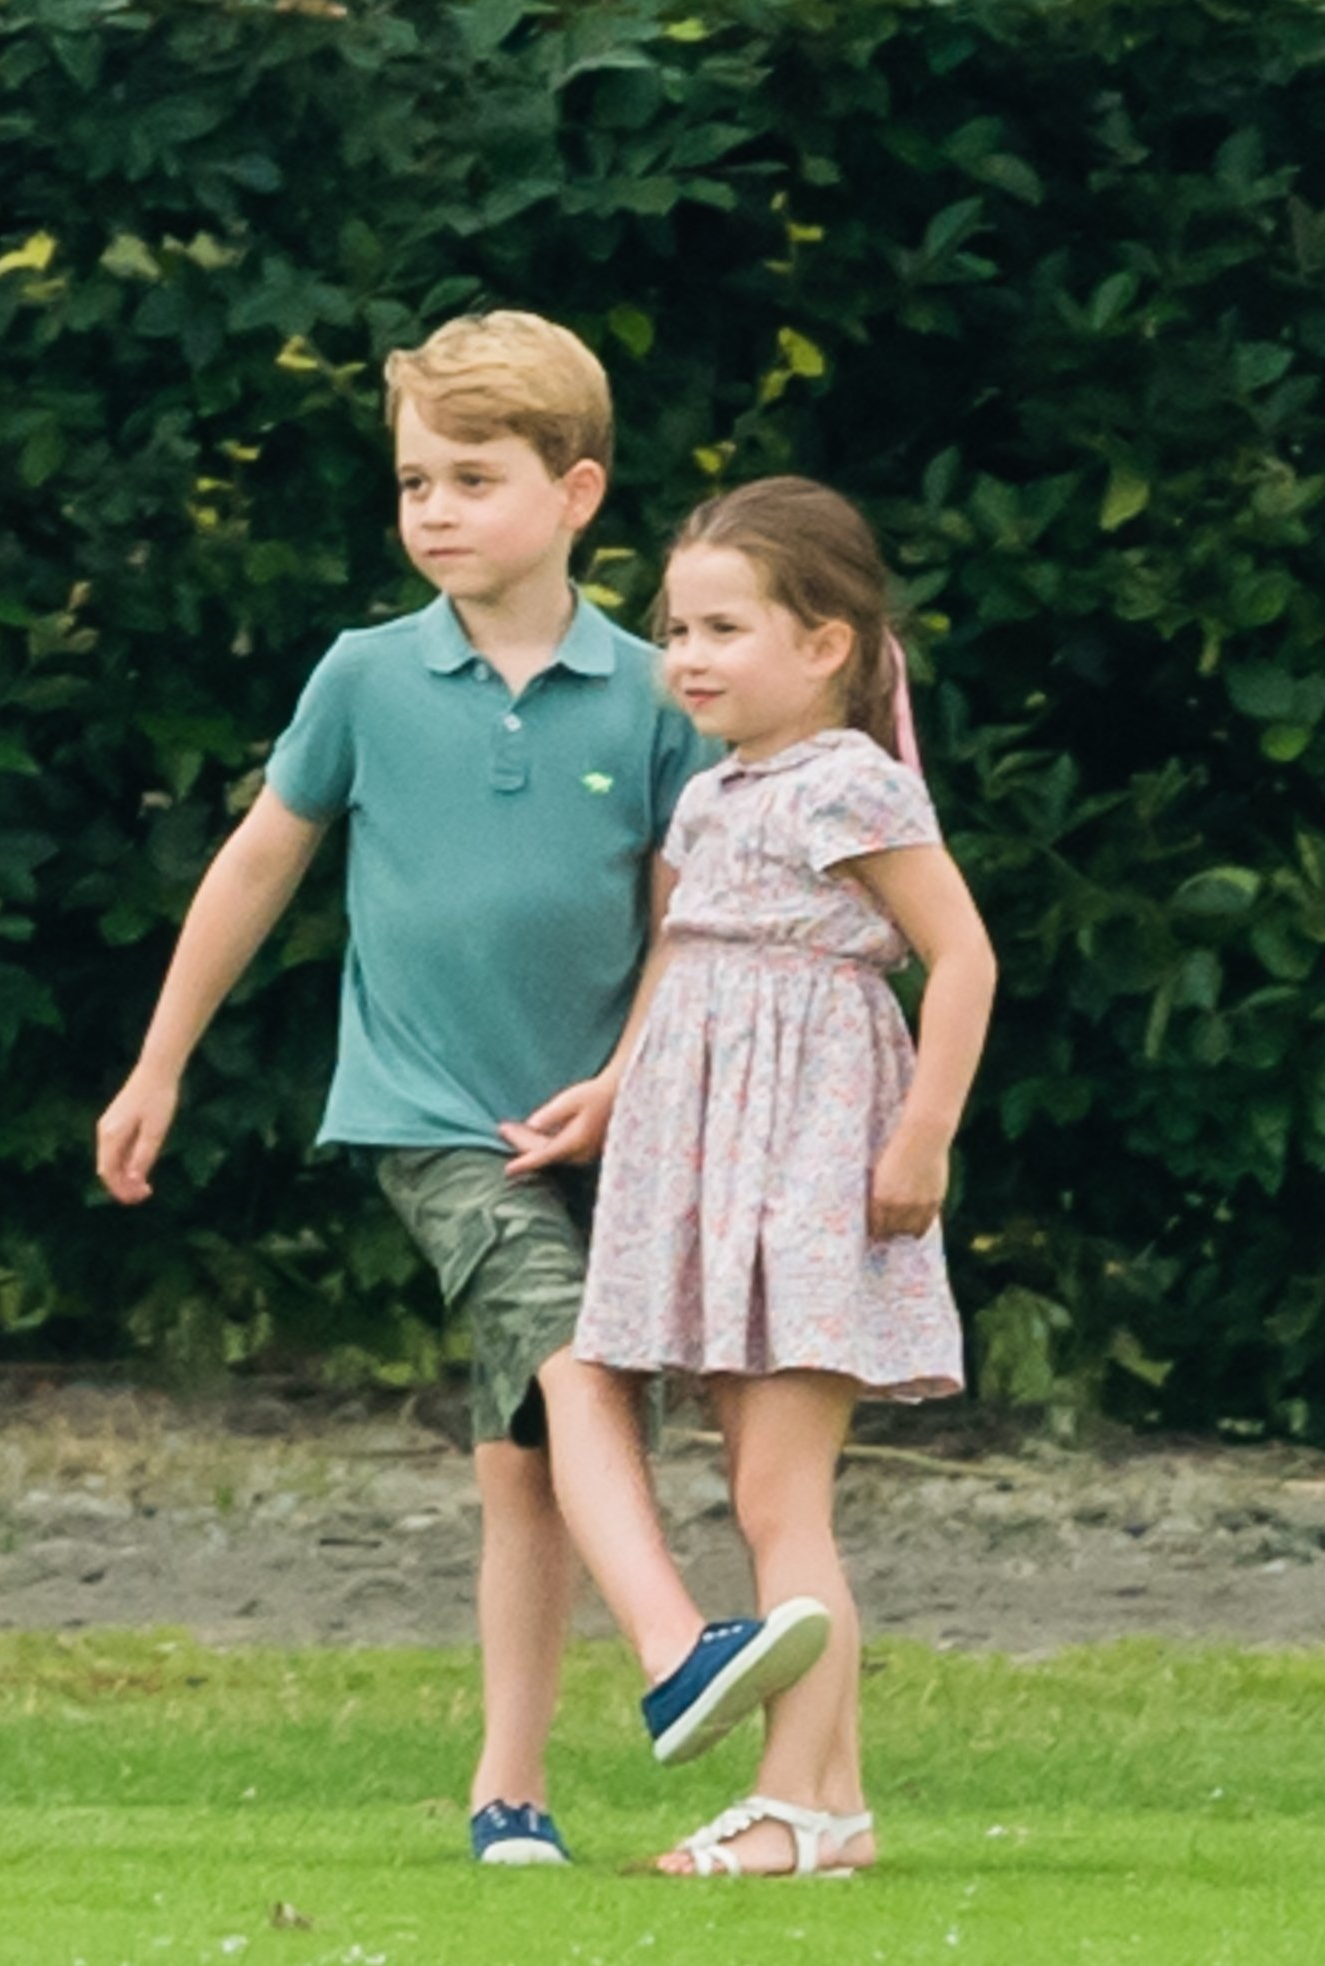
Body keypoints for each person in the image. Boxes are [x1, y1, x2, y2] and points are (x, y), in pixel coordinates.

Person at [92, 313, 827, 1868]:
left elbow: (692, 924)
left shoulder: (649, 692)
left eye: (472, 478)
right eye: (415, 479)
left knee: (524, 1460)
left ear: (575, 493)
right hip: (434, 1120)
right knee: (568, 1356)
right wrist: (160, 1058)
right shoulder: (365, 674)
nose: (432, 508)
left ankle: (508, 1794)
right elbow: (260, 861)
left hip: (614, 1123)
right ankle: (676, 1648)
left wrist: (623, 1088)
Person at [514, 475, 997, 1879]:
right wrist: (615, 1090)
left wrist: (922, 1140)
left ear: (827, 642)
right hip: (706, 1158)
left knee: (783, 1499)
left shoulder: (852, 782)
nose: (690, 655)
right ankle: (831, 1799)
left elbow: (961, 956)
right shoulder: (716, 792)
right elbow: (689, 962)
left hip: (810, 1156)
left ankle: (799, 1807)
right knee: (758, 1486)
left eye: (726, 626)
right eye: (678, 627)